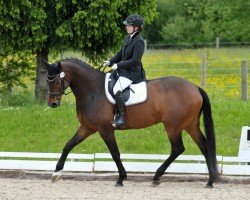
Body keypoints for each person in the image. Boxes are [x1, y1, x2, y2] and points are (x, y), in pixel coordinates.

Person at [102, 14, 146, 128]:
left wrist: (119, 65)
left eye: (129, 25)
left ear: (136, 27)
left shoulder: (139, 41)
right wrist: (110, 62)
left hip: (133, 73)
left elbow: (135, 61)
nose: (126, 27)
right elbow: (120, 54)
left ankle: (121, 118)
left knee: (117, 88)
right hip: (124, 70)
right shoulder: (128, 38)